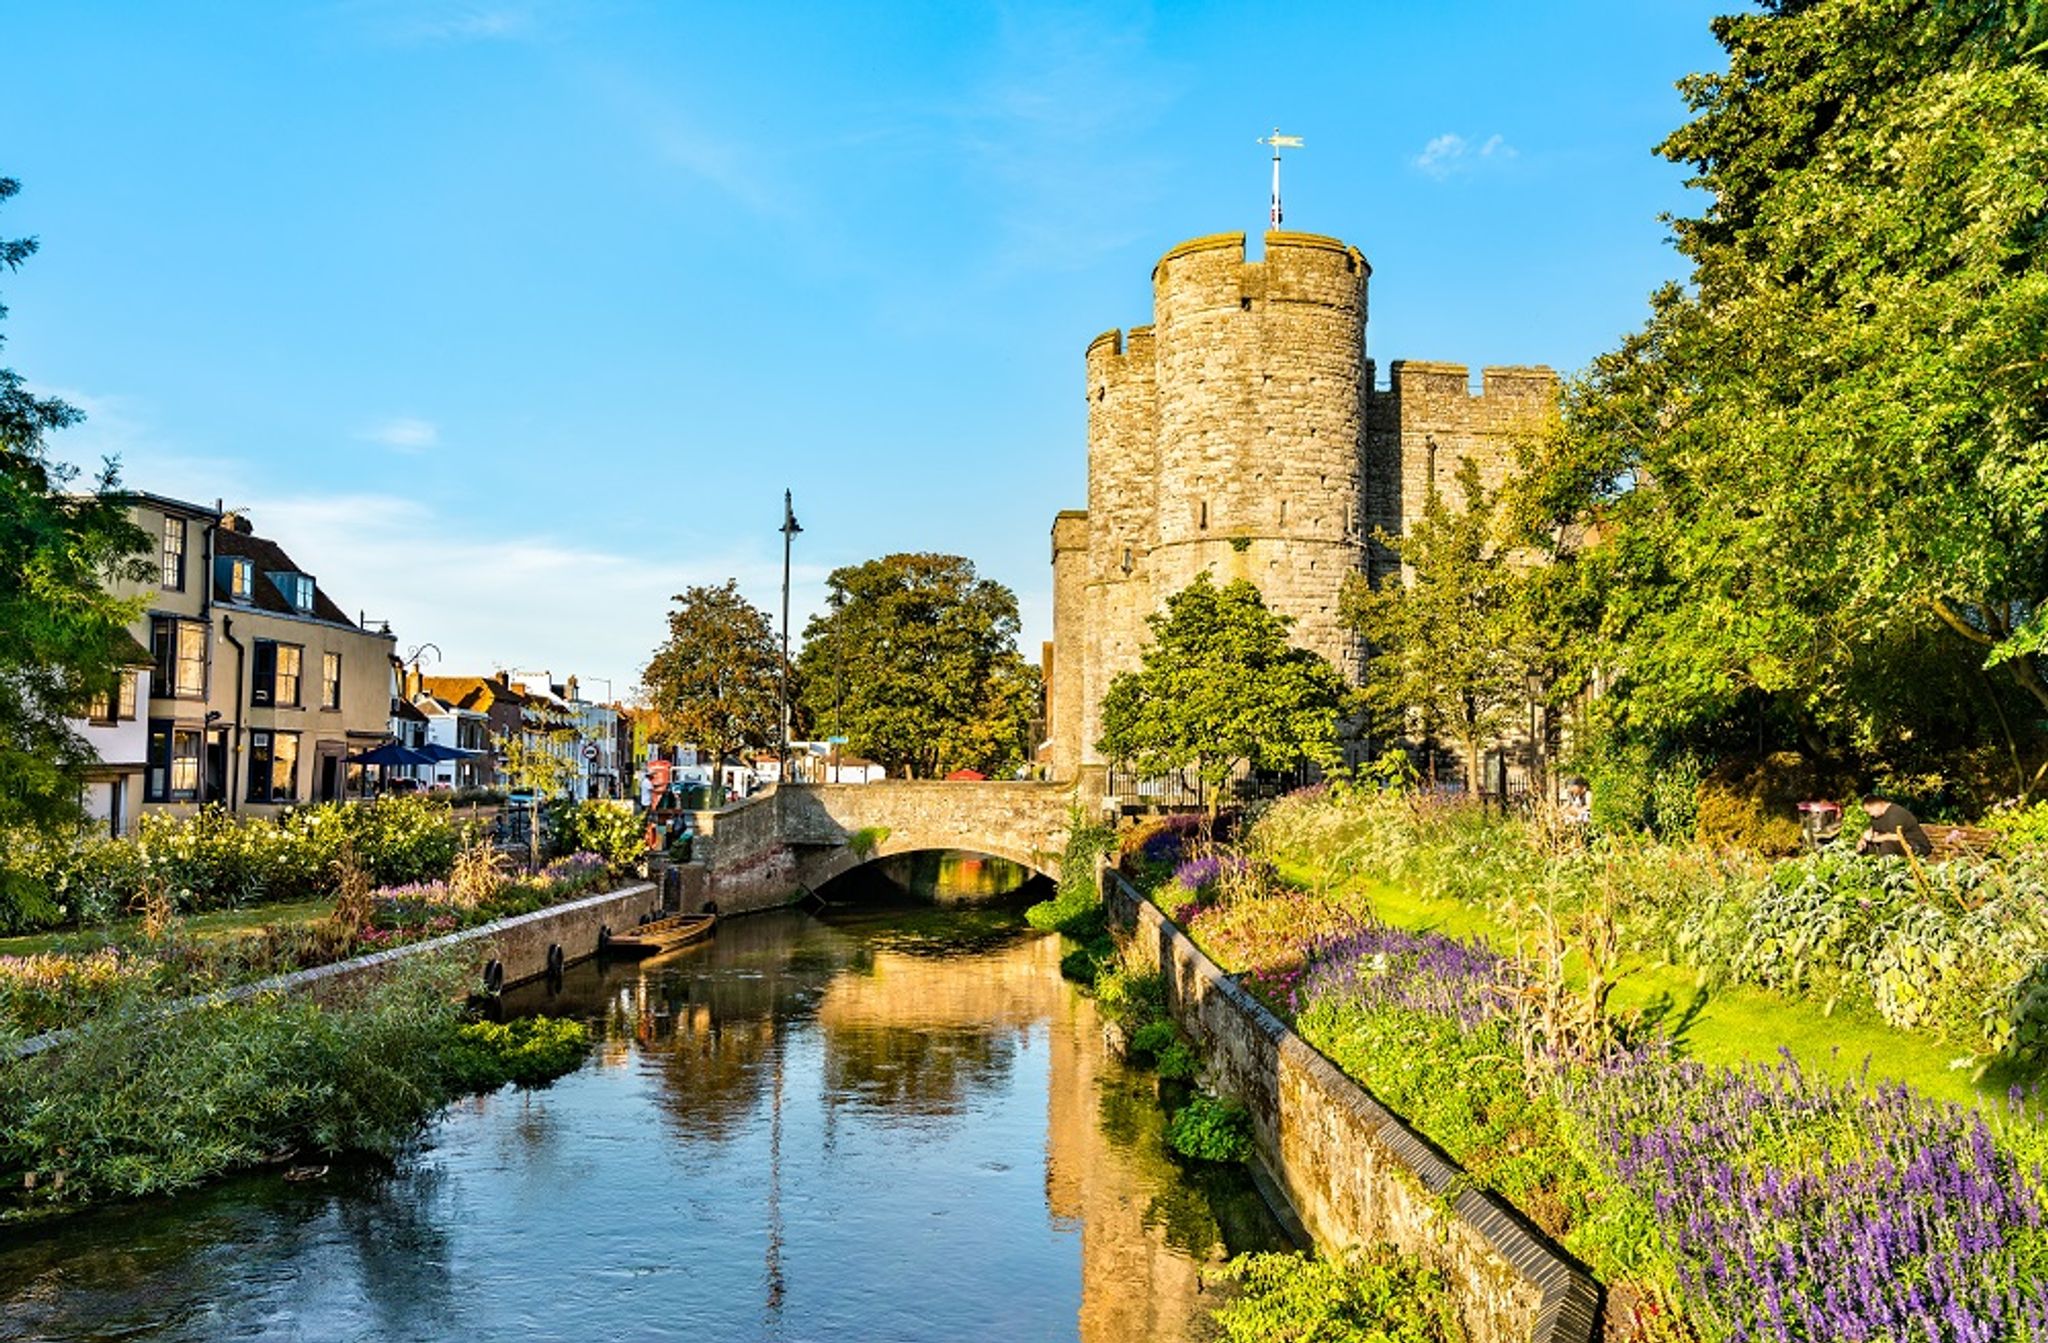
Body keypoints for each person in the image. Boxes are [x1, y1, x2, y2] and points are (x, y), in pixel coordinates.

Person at [1855, 793, 1932, 858]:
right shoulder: (1876, 817)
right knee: (1868, 848)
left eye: (1869, 811)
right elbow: (1872, 831)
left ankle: (1887, 872)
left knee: (1887, 845)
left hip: (1916, 845)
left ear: (1877, 804)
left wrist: (1872, 839)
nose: (1870, 814)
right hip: (1898, 845)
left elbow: (1896, 836)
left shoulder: (1896, 814)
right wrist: (1863, 841)